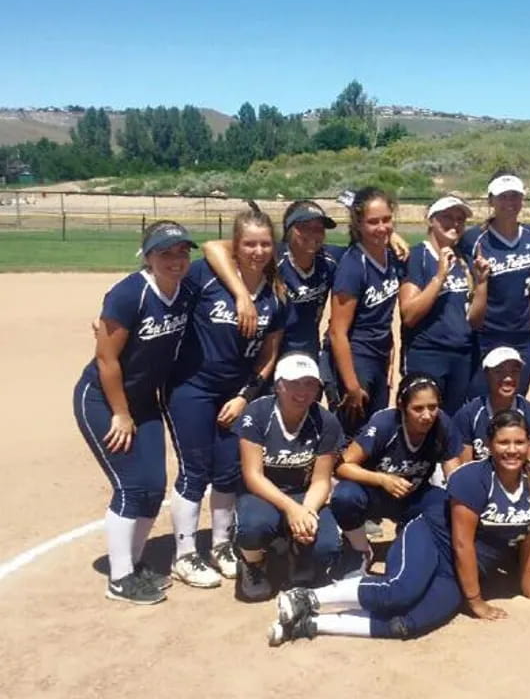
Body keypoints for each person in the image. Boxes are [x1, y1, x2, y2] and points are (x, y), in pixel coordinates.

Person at [267, 410, 530, 644]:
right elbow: (462, 544)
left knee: (409, 624)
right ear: (490, 445)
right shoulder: (473, 479)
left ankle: (311, 623)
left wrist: (528, 586)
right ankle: (306, 597)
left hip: (461, 571)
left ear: (529, 442)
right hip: (434, 539)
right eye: (503, 443)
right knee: (400, 592)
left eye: (519, 443)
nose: (512, 450)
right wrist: (475, 600)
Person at [73, 221, 197, 604]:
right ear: (148, 257)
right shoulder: (130, 294)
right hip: (103, 400)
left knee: (153, 485)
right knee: (131, 486)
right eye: (165, 253)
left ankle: (135, 563)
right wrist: (120, 413)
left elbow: (225, 249)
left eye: (181, 252)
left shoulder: (185, 290)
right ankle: (120, 579)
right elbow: (106, 358)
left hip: (144, 402)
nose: (175, 261)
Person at [164, 206, 287, 588]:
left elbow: (270, 356)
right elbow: (204, 251)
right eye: (249, 243)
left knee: (229, 471)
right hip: (191, 388)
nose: (258, 251)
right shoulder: (207, 276)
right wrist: (240, 295)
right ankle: (183, 555)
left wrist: (245, 396)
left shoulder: (277, 293)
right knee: (195, 470)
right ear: (236, 246)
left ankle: (220, 546)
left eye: (265, 243)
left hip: (236, 394)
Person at [232, 352, 344, 601]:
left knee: (329, 547)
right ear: (278, 385)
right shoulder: (257, 413)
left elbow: (321, 480)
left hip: (304, 493)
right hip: (263, 493)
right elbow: (253, 476)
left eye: (309, 384)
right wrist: (292, 510)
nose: (302, 391)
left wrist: (307, 512)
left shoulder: (326, 421)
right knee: (251, 528)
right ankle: (253, 563)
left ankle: (297, 552)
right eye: (293, 383)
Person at [330, 373, 463, 573]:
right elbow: (342, 466)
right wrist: (382, 479)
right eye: (418, 408)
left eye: (433, 407)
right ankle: (359, 551)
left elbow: (455, 476)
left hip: (413, 495)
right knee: (344, 496)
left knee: (448, 504)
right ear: (402, 405)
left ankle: (411, 539)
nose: (427, 415)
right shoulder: (386, 424)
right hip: (372, 493)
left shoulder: (443, 425)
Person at [201, 200, 340, 359]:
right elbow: (212, 247)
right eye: (303, 227)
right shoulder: (271, 255)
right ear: (289, 229)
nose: (312, 234)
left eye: (318, 229)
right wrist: (242, 295)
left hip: (307, 350)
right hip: (268, 350)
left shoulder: (330, 258)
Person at [399, 195, 490, 415]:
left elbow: (475, 320)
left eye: (460, 219)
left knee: (454, 421)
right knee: (423, 418)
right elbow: (409, 314)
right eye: (447, 217)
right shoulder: (418, 256)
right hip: (428, 353)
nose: (455, 223)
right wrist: (439, 277)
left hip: (461, 354)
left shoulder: (464, 259)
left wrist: (482, 283)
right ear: (431, 220)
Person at [459, 170, 530, 396]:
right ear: (490, 201)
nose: (509, 202)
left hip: (521, 334)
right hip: (486, 335)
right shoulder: (474, 239)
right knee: (481, 399)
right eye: (503, 196)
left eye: (514, 196)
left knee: (515, 400)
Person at [329, 187, 404, 436]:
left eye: (386, 219)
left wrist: (390, 361)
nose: (382, 227)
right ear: (358, 224)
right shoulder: (353, 266)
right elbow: (337, 332)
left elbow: (386, 318)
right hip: (357, 358)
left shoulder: (391, 256)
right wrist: (351, 385)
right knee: (352, 438)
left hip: (379, 356)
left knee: (376, 433)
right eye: (373, 222)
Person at [453, 347, 530, 466]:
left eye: (514, 372)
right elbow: (466, 468)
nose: (508, 378)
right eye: (499, 372)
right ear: (486, 374)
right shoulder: (467, 415)